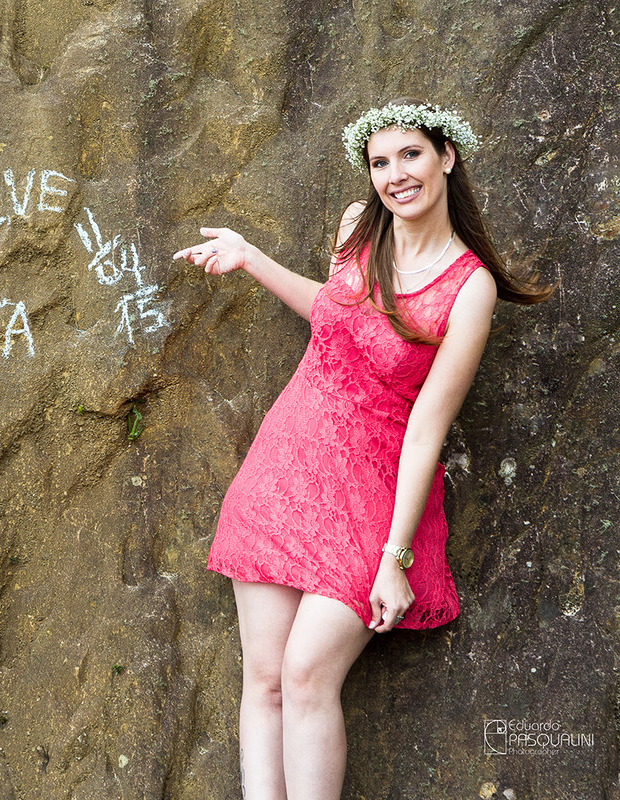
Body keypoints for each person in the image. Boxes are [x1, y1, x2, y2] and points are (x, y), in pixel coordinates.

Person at [173, 101, 551, 799]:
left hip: (372, 497)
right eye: (380, 162)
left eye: (410, 155)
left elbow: (429, 427)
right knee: (263, 678)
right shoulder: (357, 228)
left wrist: (395, 557)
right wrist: (251, 259)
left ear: (448, 156)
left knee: (307, 672)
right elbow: (335, 315)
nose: (395, 175)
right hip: (284, 474)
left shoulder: (470, 289)